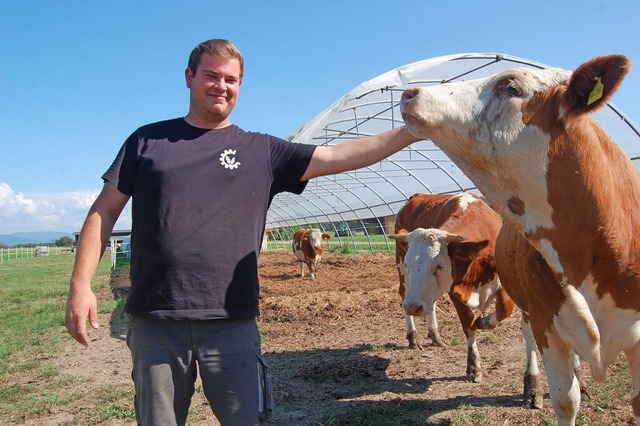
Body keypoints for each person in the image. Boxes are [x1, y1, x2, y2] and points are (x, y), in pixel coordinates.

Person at [65, 38, 420, 426]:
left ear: (240, 85)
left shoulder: (261, 151)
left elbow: (338, 156)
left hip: (232, 319)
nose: (221, 85)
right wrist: (81, 285)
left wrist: (409, 132)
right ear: (189, 78)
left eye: (231, 79)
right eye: (211, 76)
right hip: (156, 317)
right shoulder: (147, 141)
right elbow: (104, 211)